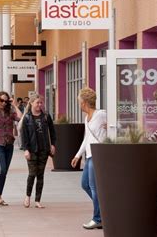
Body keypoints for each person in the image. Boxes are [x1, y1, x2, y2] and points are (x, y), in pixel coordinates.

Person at [71, 87, 106, 230]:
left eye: (79, 102)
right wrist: (77, 155)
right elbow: (87, 138)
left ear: (84, 102)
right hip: (90, 155)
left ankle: (98, 218)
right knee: (85, 184)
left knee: (93, 187)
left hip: (98, 155)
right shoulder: (87, 118)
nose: (79, 104)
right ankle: (105, 211)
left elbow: (115, 124)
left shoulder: (101, 114)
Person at [20, 94, 56, 209]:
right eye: (37, 103)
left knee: (40, 175)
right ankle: (28, 196)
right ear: (31, 103)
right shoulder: (27, 117)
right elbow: (23, 135)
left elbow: (52, 131)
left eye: (41, 103)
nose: (39, 105)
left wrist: (53, 145)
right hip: (32, 150)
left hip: (44, 149)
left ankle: (37, 200)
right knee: (32, 174)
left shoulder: (46, 116)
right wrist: (26, 149)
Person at [0, 91, 22, 207]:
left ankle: (0, 197)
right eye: (1, 100)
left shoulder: (10, 112)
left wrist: (14, 105)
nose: (3, 103)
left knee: (4, 172)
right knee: (1, 169)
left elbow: (20, 118)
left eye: (5, 101)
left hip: (9, 143)